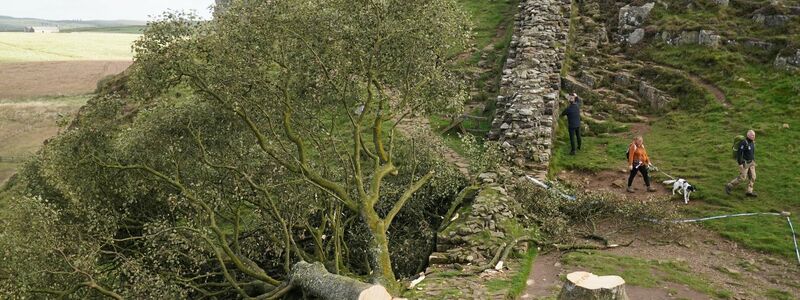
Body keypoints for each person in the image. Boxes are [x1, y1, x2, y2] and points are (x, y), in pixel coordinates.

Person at [726, 130, 757, 197]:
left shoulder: (752, 142)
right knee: (743, 178)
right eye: (752, 135)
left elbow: (752, 152)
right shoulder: (744, 142)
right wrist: (740, 164)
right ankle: (729, 186)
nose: (754, 136)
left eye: (754, 135)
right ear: (748, 135)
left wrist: (753, 160)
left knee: (753, 177)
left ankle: (749, 191)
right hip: (745, 163)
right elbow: (739, 154)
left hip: (751, 162)